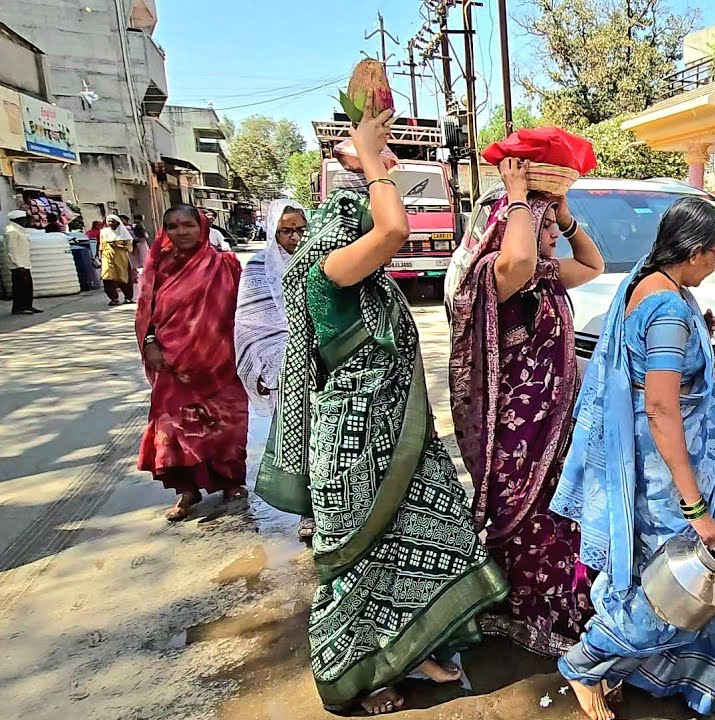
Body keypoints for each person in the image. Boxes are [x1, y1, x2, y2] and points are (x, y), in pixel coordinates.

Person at [257, 107, 507, 716]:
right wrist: (371, 158)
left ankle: (413, 648)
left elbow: (388, 231)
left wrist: (371, 160)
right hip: (352, 444)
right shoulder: (326, 273)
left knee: (429, 532)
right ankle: (354, 676)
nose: (377, 224)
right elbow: (393, 230)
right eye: (363, 218)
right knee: (361, 560)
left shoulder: (370, 282)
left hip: (399, 431)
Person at [551, 197, 715, 720]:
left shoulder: (648, 283)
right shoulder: (668, 309)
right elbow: (662, 409)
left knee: (661, 582)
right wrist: (695, 506)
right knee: (673, 590)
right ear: (692, 252)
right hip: (668, 479)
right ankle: (585, 664)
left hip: (656, 469)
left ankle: (633, 670)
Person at [449, 157, 605, 655]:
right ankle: (521, 607)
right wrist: (518, 197)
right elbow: (515, 260)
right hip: (517, 435)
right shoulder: (496, 279)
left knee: (560, 518)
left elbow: (594, 265)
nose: (552, 236)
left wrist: (566, 218)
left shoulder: (547, 275)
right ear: (516, 225)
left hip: (556, 429)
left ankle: (557, 605)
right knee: (525, 517)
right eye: (543, 226)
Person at [136, 204, 249, 521]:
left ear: (201, 227)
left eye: (188, 225)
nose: (181, 232)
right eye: (172, 226)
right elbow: (146, 313)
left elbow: (243, 311)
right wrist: (150, 343)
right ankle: (187, 490)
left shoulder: (224, 264)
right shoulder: (159, 267)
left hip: (221, 361)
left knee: (227, 426)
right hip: (172, 362)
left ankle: (231, 482)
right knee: (175, 429)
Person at [234, 199, 314, 540]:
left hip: (322, 361)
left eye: (301, 229)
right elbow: (250, 323)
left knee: (329, 440)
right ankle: (306, 513)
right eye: (286, 230)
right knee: (299, 439)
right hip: (283, 368)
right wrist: (266, 366)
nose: (295, 237)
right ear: (273, 232)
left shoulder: (321, 260)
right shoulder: (257, 267)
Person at [5, 210, 40, 315]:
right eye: (24, 219)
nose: (25, 222)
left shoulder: (19, 230)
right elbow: (11, 250)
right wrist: (18, 265)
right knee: (20, 287)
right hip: (18, 265)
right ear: (18, 220)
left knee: (27, 286)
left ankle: (28, 305)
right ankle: (19, 307)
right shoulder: (11, 231)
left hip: (25, 263)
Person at [98, 215, 134, 305]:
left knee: (124, 278)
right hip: (108, 257)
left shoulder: (123, 233)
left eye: (112, 221)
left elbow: (129, 247)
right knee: (107, 278)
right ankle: (113, 298)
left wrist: (118, 245)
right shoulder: (104, 232)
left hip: (121, 259)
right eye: (108, 221)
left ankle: (128, 297)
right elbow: (101, 246)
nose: (110, 223)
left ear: (118, 222)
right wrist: (99, 255)